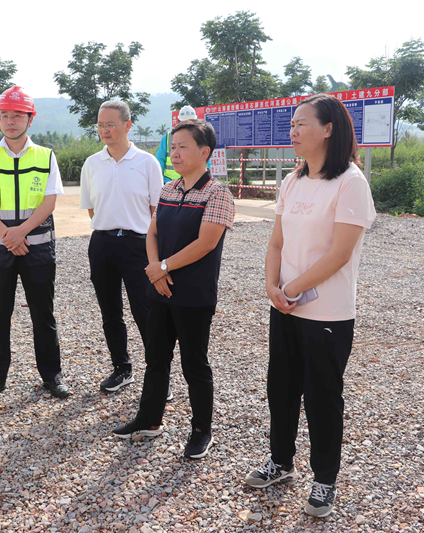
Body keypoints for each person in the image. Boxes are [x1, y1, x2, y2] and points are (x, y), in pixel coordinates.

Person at [244, 94, 376, 518]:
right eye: (292, 124)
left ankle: (324, 480)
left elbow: (340, 253)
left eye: (302, 123)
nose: (293, 131)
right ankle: (280, 461)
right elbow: (277, 243)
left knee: (322, 397)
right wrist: (272, 285)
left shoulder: (350, 182)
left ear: (328, 129)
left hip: (327, 313)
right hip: (285, 306)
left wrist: (292, 288)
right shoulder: (292, 180)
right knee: (280, 389)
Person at [113, 119, 235, 460]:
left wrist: (163, 267)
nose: (175, 153)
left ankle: (201, 431)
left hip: (193, 294)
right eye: (173, 146)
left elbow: (206, 243)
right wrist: (155, 270)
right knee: (156, 358)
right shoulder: (168, 189)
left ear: (205, 152)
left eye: (183, 147)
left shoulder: (218, 193)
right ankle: (149, 420)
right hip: (160, 289)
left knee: (194, 364)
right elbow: (152, 232)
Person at [0, 86, 70, 400]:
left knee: (43, 315)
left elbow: (49, 202)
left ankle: (52, 376)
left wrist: (20, 232)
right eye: (5, 116)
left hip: (37, 249)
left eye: (17, 115)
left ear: (30, 119)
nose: (10, 121)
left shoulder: (45, 156)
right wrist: (7, 235)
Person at [79, 101, 163, 393]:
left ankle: (158, 375)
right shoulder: (92, 164)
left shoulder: (147, 163)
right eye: (100, 125)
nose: (104, 130)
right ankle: (122, 368)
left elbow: (156, 211)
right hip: (102, 243)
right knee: (110, 312)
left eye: (110, 124)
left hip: (138, 244)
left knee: (146, 312)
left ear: (127, 125)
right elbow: (92, 209)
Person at [155, 105, 197, 183]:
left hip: (192, 182)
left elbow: (205, 161)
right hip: (169, 182)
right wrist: (158, 181)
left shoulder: (199, 138)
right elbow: (159, 161)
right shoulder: (168, 137)